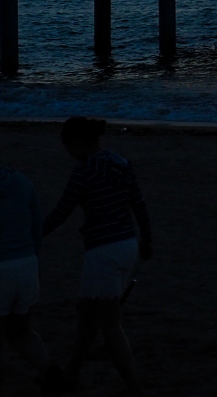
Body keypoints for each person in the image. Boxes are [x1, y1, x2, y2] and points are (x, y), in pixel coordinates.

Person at [42, 116, 150, 396]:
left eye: (67, 146)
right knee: (87, 313)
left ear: (76, 142)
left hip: (103, 250)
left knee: (108, 322)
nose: (68, 152)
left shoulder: (85, 170)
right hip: (128, 244)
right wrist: (147, 241)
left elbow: (62, 211)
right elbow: (138, 204)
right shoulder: (121, 163)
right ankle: (71, 373)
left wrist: (34, 235)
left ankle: (134, 388)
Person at [0, 157, 57, 390]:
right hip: (26, 265)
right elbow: (37, 231)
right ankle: (47, 369)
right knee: (20, 331)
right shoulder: (23, 182)